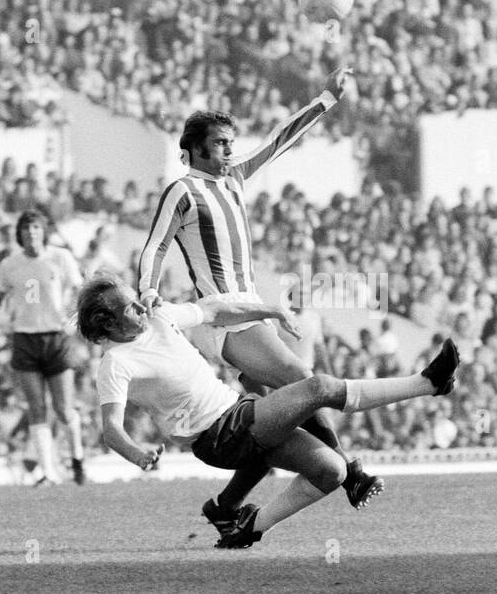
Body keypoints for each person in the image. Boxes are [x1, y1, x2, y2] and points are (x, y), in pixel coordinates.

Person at [136, 67, 382, 533]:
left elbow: (279, 139)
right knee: (303, 379)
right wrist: (148, 288)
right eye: (221, 143)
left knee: (273, 425)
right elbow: (156, 245)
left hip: (250, 313)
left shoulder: (234, 179)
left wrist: (326, 98)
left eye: (231, 142)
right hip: (226, 319)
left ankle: (225, 507)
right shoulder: (183, 189)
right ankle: (351, 473)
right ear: (193, 150)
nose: (230, 150)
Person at [76, 275, 459, 549]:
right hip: (216, 438)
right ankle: (426, 384)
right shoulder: (116, 363)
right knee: (316, 387)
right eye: (131, 306)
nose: (143, 305)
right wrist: (139, 454)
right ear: (106, 323)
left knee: (331, 471)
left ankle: (250, 528)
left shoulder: (160, 317)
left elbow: (216, 311)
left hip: (238, 411)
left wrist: (272, 310)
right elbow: (111, 428)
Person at [0, 211, 87, 485]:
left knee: (64, 407)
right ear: (19, 234)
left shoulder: (60, 258)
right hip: (25, 338)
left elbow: (81, 292)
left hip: (56, 337)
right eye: (25, 228)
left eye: (35, 227)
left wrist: (73, 321)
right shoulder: (10, 265)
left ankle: (77, 459)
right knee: (36, 407)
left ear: (43, 231)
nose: (31, 233)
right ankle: (47, 471)